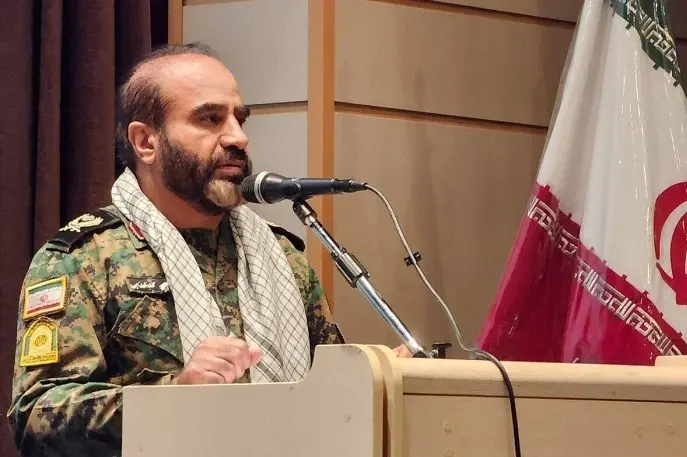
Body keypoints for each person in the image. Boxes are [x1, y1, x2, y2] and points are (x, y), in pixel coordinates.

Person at [6, 43, 412, 457]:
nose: (238, 137)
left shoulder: (283, 257)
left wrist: (381, 380)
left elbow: (327, 392)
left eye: (239, 119)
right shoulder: (82, 258)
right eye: (210, 119)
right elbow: (36, 415)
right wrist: (173, 395)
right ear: (146, 141)